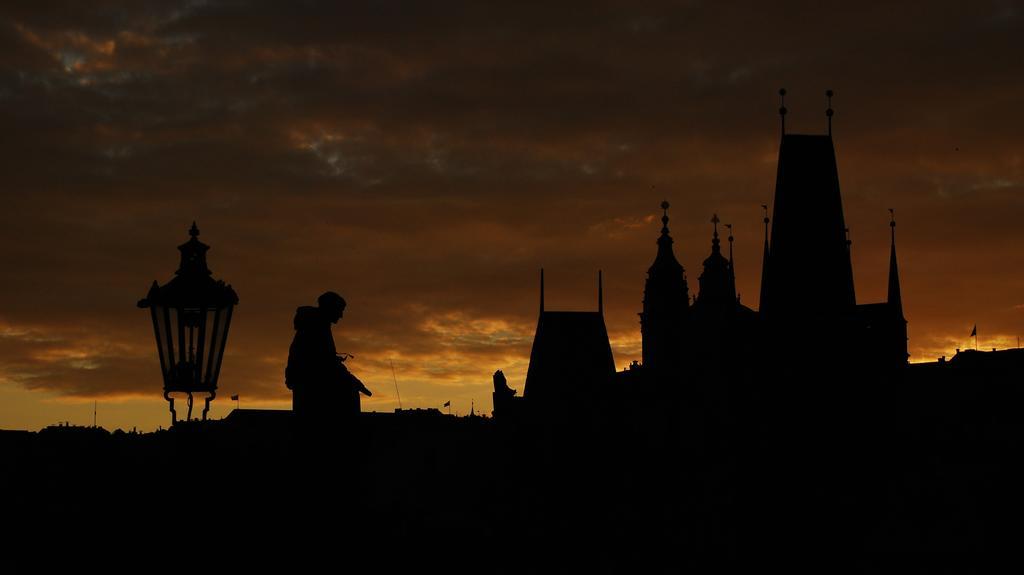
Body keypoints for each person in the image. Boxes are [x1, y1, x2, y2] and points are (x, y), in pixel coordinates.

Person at [286, 291, 371, 421]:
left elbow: (322, 359)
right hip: (311, 386)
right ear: (331, 308)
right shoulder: (317, 327)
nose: (341, 315)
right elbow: (325, 363)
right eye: (340, 310)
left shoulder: (313, 325)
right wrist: (353, 382)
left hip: (303, 383)